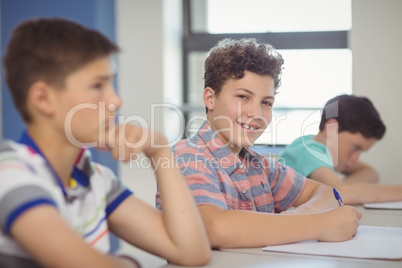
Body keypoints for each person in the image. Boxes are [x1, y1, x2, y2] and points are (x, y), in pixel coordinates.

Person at [0, 18, 210, 268]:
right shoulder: (10, 173)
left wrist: (159, 149)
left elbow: (192, 252)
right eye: (97, 85)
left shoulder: (96, 179)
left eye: (111, 83)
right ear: (43, 98)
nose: (115, 101)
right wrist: (128, 262)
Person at [157, 38, 362, 249]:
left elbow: (326, 192)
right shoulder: (188, 156)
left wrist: (298, 219)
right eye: (243, 97)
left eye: (266, 103)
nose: (256, 113)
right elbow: (211, 227)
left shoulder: (259, 165)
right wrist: (317, 224)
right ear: (210, 98)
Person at [281, 94, 402, 204]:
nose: (355, 159)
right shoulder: (310, 152)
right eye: (355, 148)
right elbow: (338, 193)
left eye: (361, 152)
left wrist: (345, 186)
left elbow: (371, 173)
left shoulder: (310, 143)